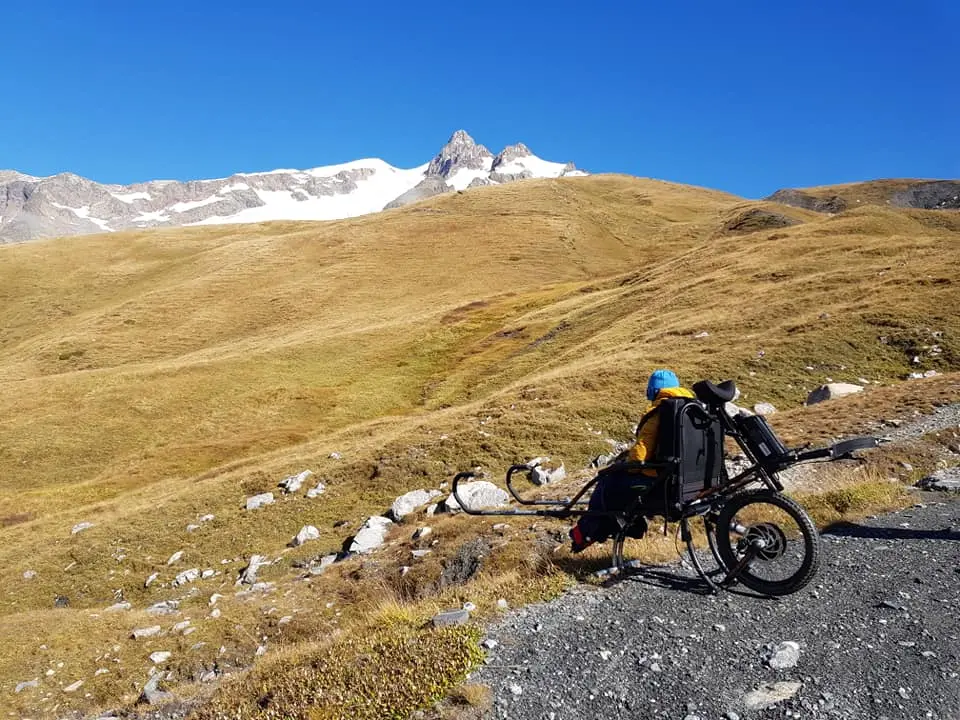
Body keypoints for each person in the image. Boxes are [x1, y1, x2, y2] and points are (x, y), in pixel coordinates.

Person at [569, 369, 695, 553]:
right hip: (686, 482)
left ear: (653, 390)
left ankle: (585, 534)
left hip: (660, 484)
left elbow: (640, 456)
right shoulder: (690, 409)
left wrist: (624, 467)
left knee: (606, 484)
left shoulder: (661, 411)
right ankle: (626, 525)